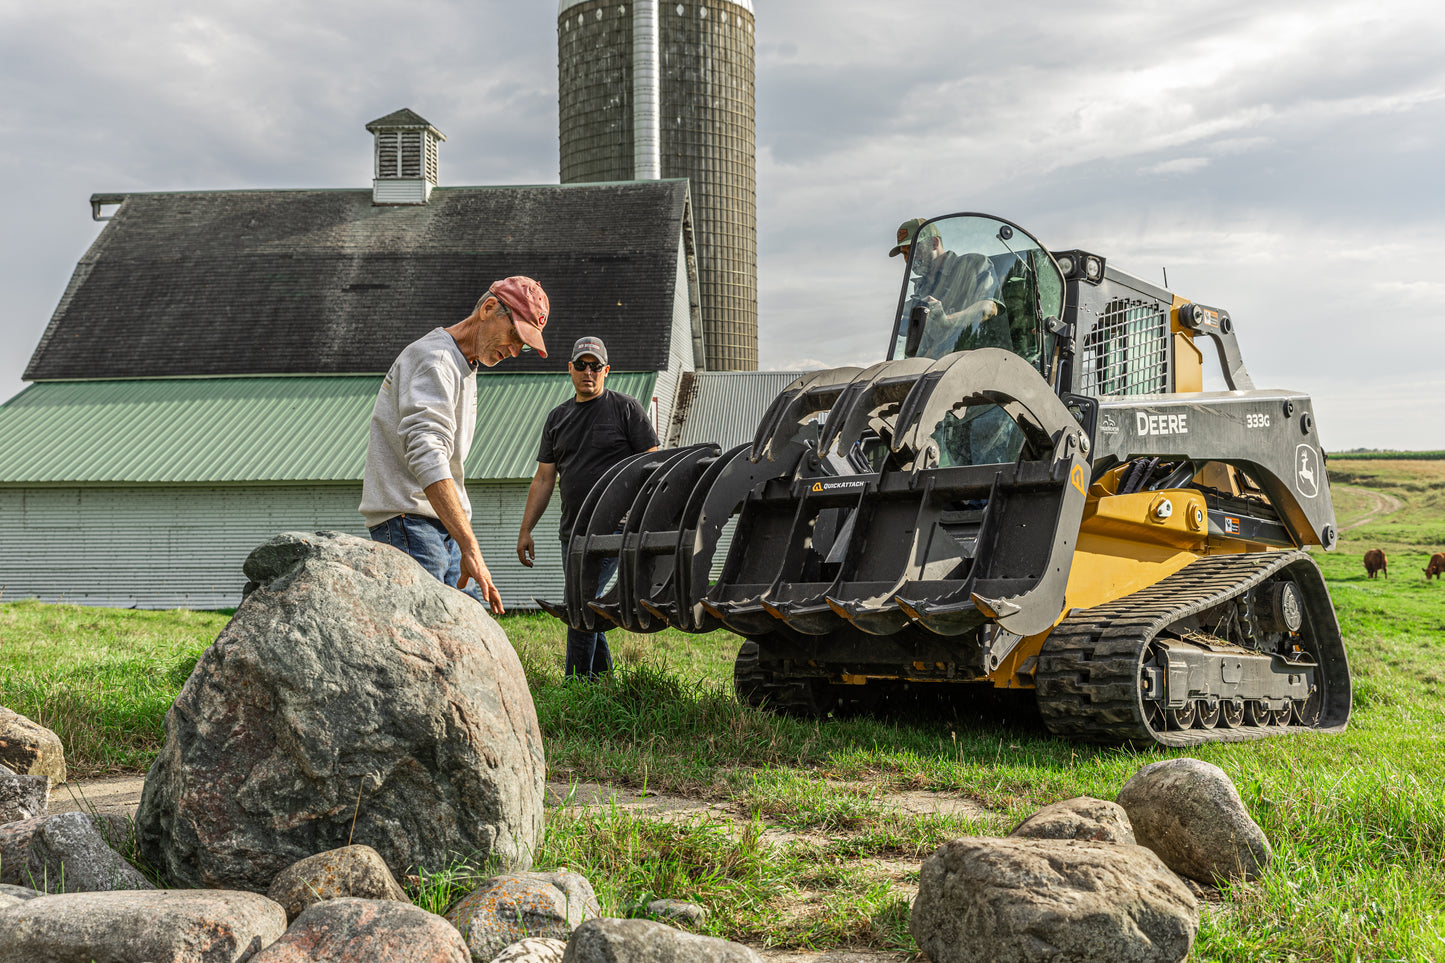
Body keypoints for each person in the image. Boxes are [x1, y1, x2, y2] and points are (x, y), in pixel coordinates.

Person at [360, 276, 550, 614]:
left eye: (523, 345)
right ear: (489, 308)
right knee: (424, 634)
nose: (514, 351)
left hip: (436, 526)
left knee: (468, 623)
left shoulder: (462, 364)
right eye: (514, 336)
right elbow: (428, 457)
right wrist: (471, 546)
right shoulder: (434, 360)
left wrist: (461, 539)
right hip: (410, 523)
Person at [516, 336, 659, 677]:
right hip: (573, 533)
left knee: (579, 603)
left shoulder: (626, 408)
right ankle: (601, 683)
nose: (588, 372)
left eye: (595, 366)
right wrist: (525, 530)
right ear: (570, 369)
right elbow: (544, 479)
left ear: (606, 370)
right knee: (587, 605)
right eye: (581, 365)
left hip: (613, 531)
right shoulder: (557, 419)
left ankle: (576, 687)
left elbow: (654, 466)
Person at [891, 218, 1008, 360]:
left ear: (934, 243)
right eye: (904, 253)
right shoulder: (920, 290)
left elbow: (989, 308)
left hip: (975, 365)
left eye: (913, 249)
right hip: (932, 372)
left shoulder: (972, 265)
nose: (908, 259)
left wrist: (946, 320)